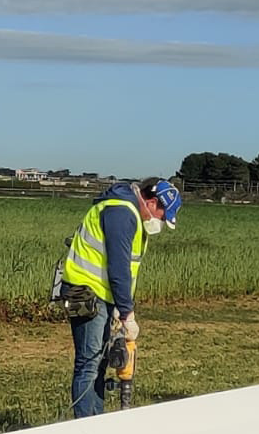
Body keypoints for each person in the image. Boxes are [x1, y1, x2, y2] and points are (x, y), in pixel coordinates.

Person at [58, 177, 181, 418]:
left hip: (103, 295)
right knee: (89, 364)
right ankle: (86, 428)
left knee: (101, 363)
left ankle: (99, 422)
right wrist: (127, 313)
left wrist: (117, 305)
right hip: (86, 293)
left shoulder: (130, 211)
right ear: (153, 202)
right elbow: (119, 268)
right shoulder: (121, 213)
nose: (160, 223)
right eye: (162, 216)